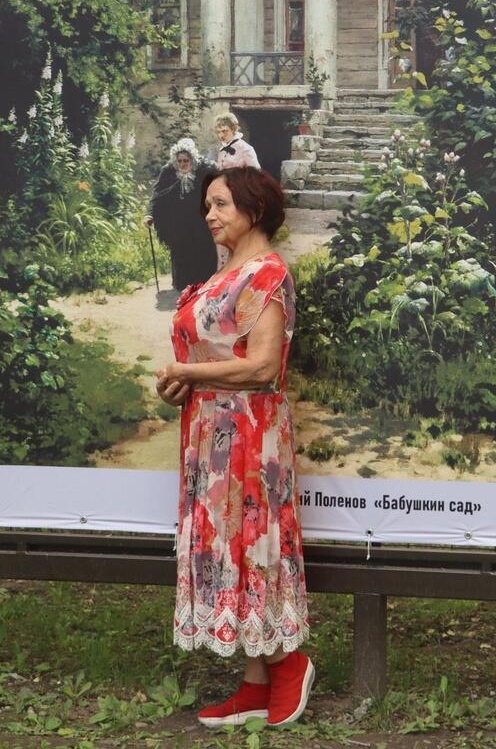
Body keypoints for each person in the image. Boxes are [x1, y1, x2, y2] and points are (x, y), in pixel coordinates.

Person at [153, 166, 314, 729]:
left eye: (221, 203)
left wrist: (189, 373)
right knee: (226, 547)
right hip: (207, 434)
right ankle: (254, 683)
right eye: (207, 205)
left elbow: (264, 366)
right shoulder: (221, 276)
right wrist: (179, 384)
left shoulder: (267, 273)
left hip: (250, 435)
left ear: (254, 209)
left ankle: (289, 663)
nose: (210, 214)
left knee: (252, 543)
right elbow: (204, 360)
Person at [143, 138, 217, 291]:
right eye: (179, 161)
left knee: (203, 253)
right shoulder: (168, 172)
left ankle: (205, 287)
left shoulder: (205, 170)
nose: (182, 164)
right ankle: (183, 288)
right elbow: (157, 194)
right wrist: (149, 215)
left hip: (200, 222)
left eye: (186, 161)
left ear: (193, 159)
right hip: (178, 223)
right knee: (181, 253)